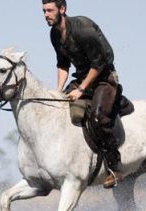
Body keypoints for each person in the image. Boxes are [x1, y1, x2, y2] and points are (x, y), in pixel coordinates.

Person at [42, 0, 125, 188]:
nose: (46, 15)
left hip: (104, 77)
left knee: (97, 117)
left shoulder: (82, 28)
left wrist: (80, 90)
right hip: (82, 79)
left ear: (62, 9)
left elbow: (99, 63)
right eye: (44, 11)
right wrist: (58, 91)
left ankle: (115, 167)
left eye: (50, 10)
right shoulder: (54, 34)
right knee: (59, 109)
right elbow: (63, 64)